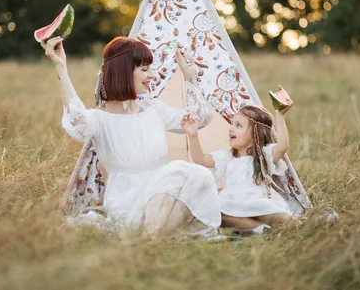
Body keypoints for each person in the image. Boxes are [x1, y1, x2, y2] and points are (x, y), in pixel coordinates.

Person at [41, 35, 221, 237]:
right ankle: (151, 235)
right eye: (144, 69)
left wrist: (189, 76)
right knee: (179, 169)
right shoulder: (99, 119)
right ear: (124, 72)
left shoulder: (154, 109)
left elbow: (199, 118)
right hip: (127, 203)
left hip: (163, 199)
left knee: (202, 176)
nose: (152, 75)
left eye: (150, 68)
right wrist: (61, 68)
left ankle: (150, 237)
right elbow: (76, 121)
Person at [181, 101, 296, 232]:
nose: (231, 129)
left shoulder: (263, 156)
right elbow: (200, 160)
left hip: (257, 201)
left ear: (255, 135)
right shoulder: (227, 158)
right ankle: (259, 229)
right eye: (232, 124)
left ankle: (299, 223)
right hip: (232, 203)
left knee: (274, 214)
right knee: (220, 216)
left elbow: (282, 147)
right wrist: (193, 136)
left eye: (238, 125)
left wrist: (279, 115)